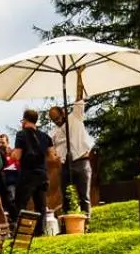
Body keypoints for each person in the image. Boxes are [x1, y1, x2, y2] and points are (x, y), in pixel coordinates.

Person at [48, 93, 95, 222]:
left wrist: (79, 76)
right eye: (53, 120)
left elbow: (79, 98)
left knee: (84, 196)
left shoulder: (75, 116)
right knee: (67, 196)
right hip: (65, 166)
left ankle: (86, 223)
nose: (56, 121)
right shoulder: (54, 133)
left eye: (57, 117)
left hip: (81, 162)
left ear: (63, 113)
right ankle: (68, 224)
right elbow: (52, 152)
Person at [8, 109, 52, 225]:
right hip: (42, 174)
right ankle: (40, 231)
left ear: (25, 120)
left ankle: (20, 230)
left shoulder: (21, 134)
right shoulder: (45, 137)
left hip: (27, 174)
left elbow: (17, 156)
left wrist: (10, 152)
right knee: (41, 205)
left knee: (20, 204)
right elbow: (52, 156)